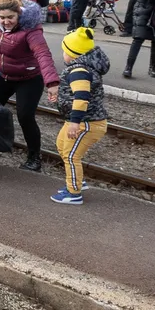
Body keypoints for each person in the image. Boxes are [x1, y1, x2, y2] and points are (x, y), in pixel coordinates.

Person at [0, 0, 59, 171]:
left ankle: (34, 157)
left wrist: (51, 82)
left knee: (25, 116)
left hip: (28, 78)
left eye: (10, 17)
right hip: (1, 76)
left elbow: (42, 54)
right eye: (2, 17)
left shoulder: (31, 29)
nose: (6, 22)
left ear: (19, 14)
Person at [51, 27, 110, 205]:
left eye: (64, 51)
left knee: (71, 155)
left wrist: (75, 122)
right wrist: (59, 97)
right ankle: (77, 180)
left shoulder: (79, 71)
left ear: (73, 53)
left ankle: (73, 192)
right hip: (79, 120)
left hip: (86, 122)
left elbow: (82, 97)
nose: (63, 54)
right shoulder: (81, 68)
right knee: (62, 146)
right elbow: (74, 92)